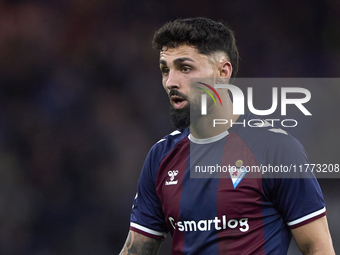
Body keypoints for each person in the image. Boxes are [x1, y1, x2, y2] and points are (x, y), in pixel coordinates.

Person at [119, 17, 335, 255]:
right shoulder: (160, 157)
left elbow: (318, 248)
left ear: (223, 72)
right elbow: (136, 250)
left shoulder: (276, 149)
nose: (171, 81)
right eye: (165, 69)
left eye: (185, 68)